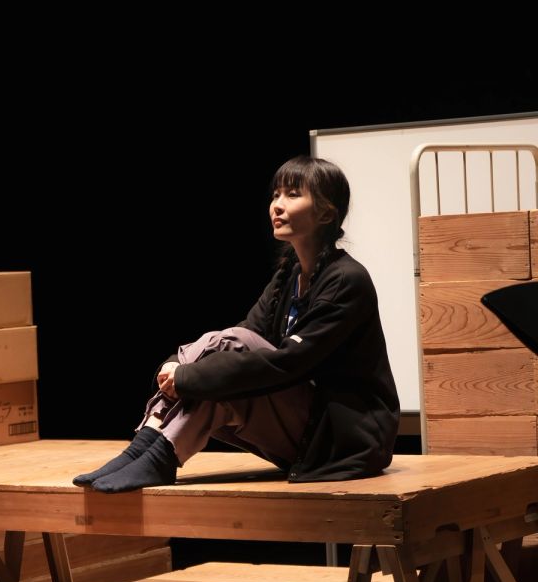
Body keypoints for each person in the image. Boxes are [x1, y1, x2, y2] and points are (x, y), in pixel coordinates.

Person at [74, 156, 399, 492]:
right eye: (275, 195)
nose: (277, 205)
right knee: (220, 375)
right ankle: (144, 450)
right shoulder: (288, 275)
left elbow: (287, 362)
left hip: (344, 439)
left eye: (292, 195)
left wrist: (184, 374)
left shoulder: (347, 280)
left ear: (326, 213)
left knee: (230, 348)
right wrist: (181, 368)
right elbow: (251, 330)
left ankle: (155, 457)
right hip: (310, 427)